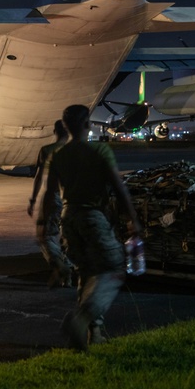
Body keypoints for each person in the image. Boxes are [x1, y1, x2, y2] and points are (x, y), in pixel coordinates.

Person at [44, 104, 142, 351]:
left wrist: (47, 229)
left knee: (87, 273)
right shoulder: (99, 150)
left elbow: (49, 194)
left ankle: (93, 333)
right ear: (88, 124)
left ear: (65, 126)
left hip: (69, 219)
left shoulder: (58, 155)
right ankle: (81, 320)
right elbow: (119, 188)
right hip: (92, 216)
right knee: (113, 268)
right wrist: (132, 220)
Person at [28, 120, 74, 288]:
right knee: (66, 237)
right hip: (71, 199)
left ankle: (62, 268)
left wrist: (33, 200)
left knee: (45, 236)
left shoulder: (47, 150)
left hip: (52, 197)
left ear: (55, 131)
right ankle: (67, 273)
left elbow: (39, 178)